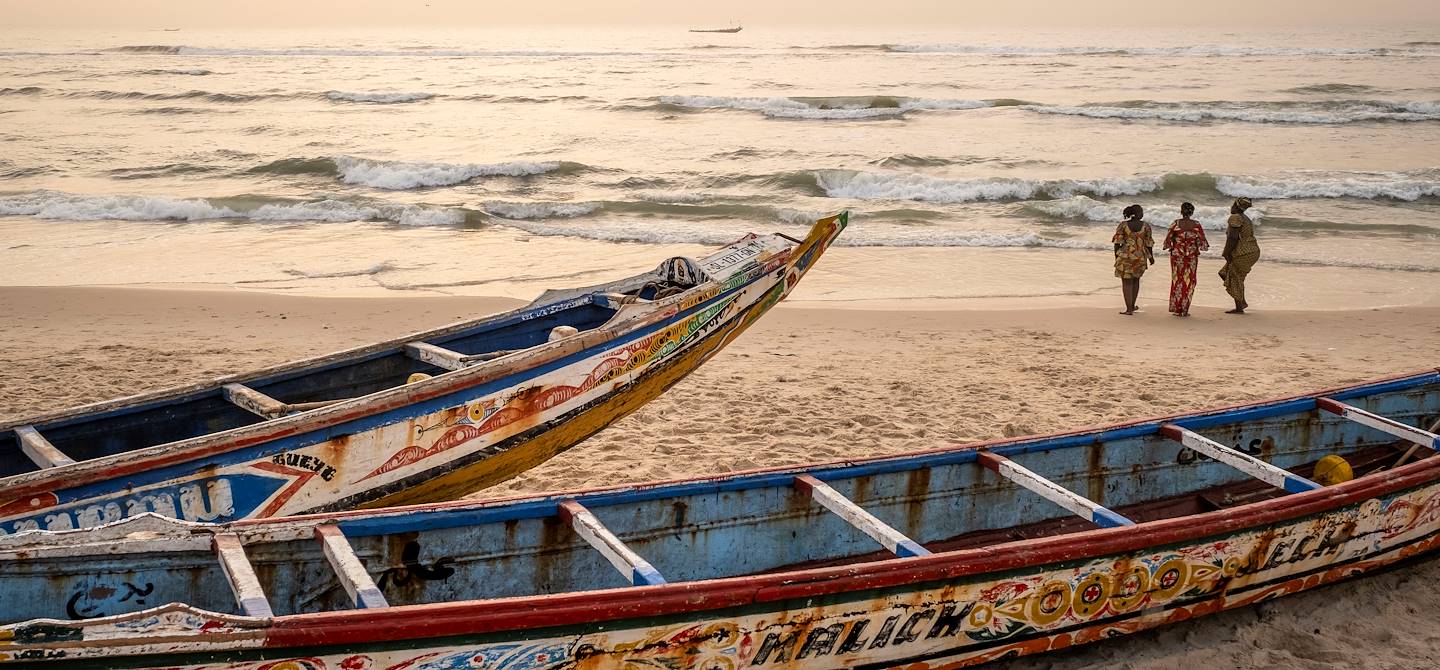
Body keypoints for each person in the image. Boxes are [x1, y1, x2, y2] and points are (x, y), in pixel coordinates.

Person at [1162, 202, 1209, 317]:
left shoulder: (1175, 224)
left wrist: (1175, 245)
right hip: (1191, 256)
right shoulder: (1197, 225)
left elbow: (1168, 241)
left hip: (1177, 255)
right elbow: (1203, 243)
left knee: (1177, 280)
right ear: (1192, 212)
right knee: (1190, 280)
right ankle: (1185, 308)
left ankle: (1178, 308)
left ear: (1181, 211)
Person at [1218, 197, 1259, 314]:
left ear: (1235, 205)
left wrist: (1226, 253)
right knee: (1225, 273)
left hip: (1243, 252)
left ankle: (1239, 307)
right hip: (1252, 250)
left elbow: (1232, 238)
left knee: (1235, 277)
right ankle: (1242, 302)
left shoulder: (1235, 217)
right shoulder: (1245, 218)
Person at [1113, 204, 1155, 315]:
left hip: (1125, 257)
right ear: (1137, 213)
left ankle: (1129, 309)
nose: (1143, 214)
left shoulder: (1123, 225)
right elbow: (1149, 244)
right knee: (1136, 281)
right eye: (1141, 212)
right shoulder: (1146, 226)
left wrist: (1117, 257)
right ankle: (1132, 305)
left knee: (1126, 283)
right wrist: (1151, 258)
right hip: (1140, 256)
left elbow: (1117, 243)